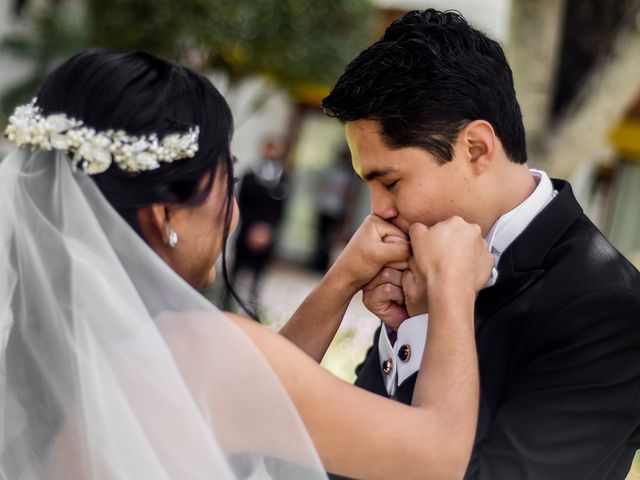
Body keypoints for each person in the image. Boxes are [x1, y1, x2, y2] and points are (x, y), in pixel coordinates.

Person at [0, 49, 494, 479]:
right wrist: (452, 286)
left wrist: (344, 277)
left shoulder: (39, 345)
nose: (233, 212)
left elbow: (256, 397)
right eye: (225, 184)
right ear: (165, 214)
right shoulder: (197, 350)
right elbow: (436, 457)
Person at [286, 9, 640, 480]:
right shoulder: (422, 257)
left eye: (390, 181)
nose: (378, 212)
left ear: (475, 147)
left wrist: (442, 310)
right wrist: (399, 326)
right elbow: (346, 459)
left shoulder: (607, 307)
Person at [228, 138, 289, 309]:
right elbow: (242, 203)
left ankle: (253, 303)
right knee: (237, 268)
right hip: (247, 229)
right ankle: (227, 301)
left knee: (259, 272)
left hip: (267, 234)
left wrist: (267, 230)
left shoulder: (283, 178)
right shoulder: (249, 176)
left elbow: (281, 211)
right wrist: (252, 229)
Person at [311, 149, 358, 272]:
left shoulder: (348, 174)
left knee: (329, 239)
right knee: (320, 237)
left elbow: (349, 194)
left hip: (336, 210)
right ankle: (317, 262)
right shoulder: (330, 169)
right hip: (325, 207)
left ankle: (324, 264)